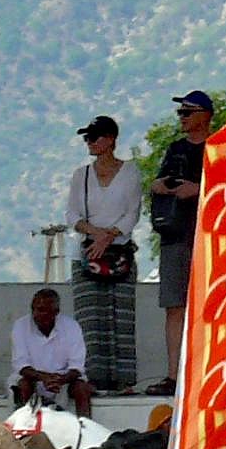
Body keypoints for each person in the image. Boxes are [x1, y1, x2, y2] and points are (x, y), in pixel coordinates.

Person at [66, 117, 143, 394]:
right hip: (88, 253)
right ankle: (94, 378)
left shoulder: (130, 172)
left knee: (121, 317)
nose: (89, 142)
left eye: (94, 137)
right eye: (87, 138)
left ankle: (123, 380)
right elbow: (72, 214)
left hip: (119, 252)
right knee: (91, 319)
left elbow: (132, 212)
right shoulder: (81, 175)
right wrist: (96, 234)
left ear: (110, 139)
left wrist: (109, 237)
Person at [152, 89, 214, 370]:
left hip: (206, 237)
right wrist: (165, 186)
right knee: (174, 306)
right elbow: (157, 183)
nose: (182, 117)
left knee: (207, 305)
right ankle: (174, 373)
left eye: (187, 112)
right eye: (180, 112)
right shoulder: (174, 149)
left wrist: (198, 190)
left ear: (205, 115)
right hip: (175, 235)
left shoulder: (218, 146)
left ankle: (203, 371)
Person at [11, 287, 93, 415]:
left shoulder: (71, 326)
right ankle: (25, 424)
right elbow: (21, 365)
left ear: (56, 312)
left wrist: (59, 380)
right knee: (23, 385)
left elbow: (77, 367)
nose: (41, 314)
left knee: (82, 388)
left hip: (63, 380)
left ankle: (85, 425)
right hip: (33, 377)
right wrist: (43, 378)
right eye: (38, 309)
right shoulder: (20, 326)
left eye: (47, 310)